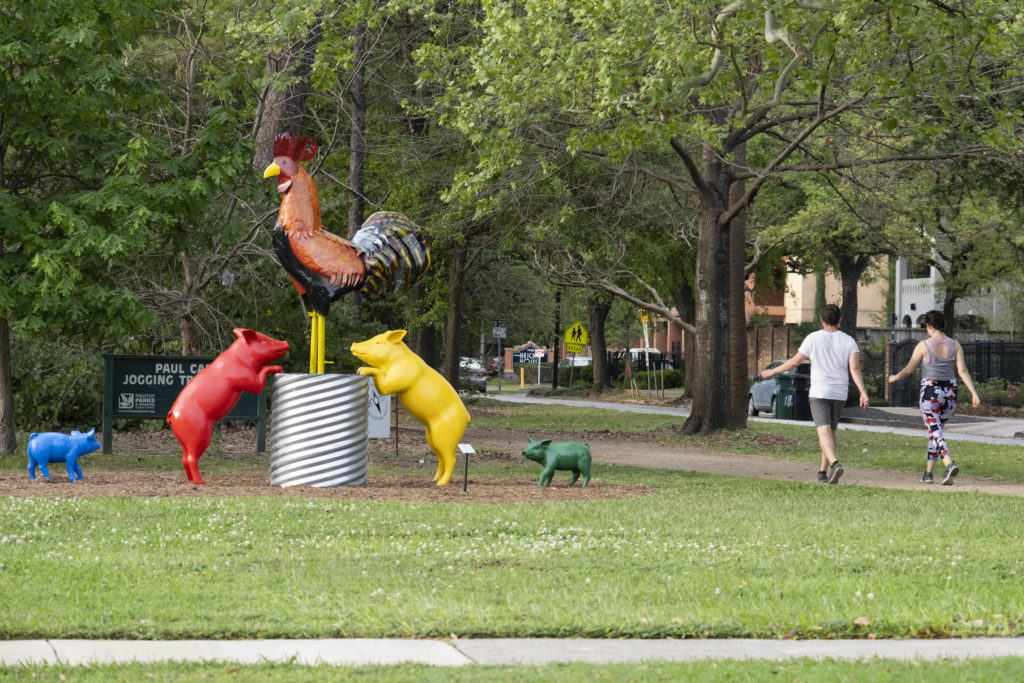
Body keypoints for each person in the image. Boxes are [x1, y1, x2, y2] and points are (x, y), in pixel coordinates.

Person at [761, 304, 869, 484]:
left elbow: (794, 362)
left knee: (823, 431)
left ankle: (835, 464)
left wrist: (773, 371)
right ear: (840, 320)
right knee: (830, 432)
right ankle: (822, 472)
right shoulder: (849, 341)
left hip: (819, 391)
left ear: (821, 320)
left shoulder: (813, 338)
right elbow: (855, 368)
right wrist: (862, 393)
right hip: (839, 392)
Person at [887, 310, 980, 485]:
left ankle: (949, 463)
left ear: (929, 326)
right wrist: (974, 393)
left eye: (926, 327)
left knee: (935, 432)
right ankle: (928, 474)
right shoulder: (956, 345)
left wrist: (895, 377)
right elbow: (962, 371)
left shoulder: (924, 345)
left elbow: (908, 369)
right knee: (935, 433)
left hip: (931, 392)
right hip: (950, 394)